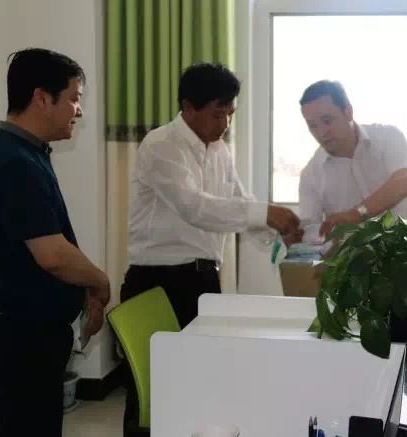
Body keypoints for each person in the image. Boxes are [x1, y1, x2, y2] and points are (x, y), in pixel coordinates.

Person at [121, 62, 300, 433]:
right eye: (218, 114)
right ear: (188, 107)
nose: (225, 124)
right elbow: (196, 208)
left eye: (231, 114)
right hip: (157, 282)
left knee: (198, 381)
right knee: (153, 389)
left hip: (201, 280)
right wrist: (266, 213)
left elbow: (237, 203)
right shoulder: (162, 145)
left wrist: (275, 232)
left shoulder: (219, 150)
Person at [0, 48, 110, 437]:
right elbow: (52, 255)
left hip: (26, 336)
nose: (79, 110)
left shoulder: (26, 153)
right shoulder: (14, 163)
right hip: (19, 341)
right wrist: (99, 281)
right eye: (74, 98)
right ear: (42, 98)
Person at [298, 80, 407, 237]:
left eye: (327, 121)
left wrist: (354, 214)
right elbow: (310, 233)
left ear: (348, 112)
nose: (321, 132)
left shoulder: (388, 137)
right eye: (313, 125)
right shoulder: (310, 175)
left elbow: (404, 183)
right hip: (354, 253)